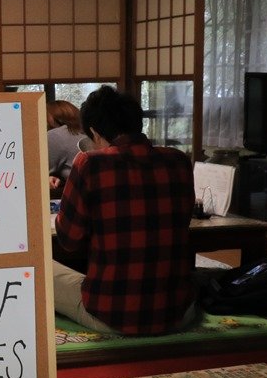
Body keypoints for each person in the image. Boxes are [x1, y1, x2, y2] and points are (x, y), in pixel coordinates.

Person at [53, 85, 196, 336]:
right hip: (176, 314)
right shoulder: (178, 160)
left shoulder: (89, 163)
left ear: (94, 132)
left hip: (111, 315)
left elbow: (69, 240)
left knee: (43, 271)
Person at [46, 100, 94, 197]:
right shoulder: (89, 132)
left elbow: (36, 175)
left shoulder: (55, 136)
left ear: (51, 118)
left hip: (78, 196)